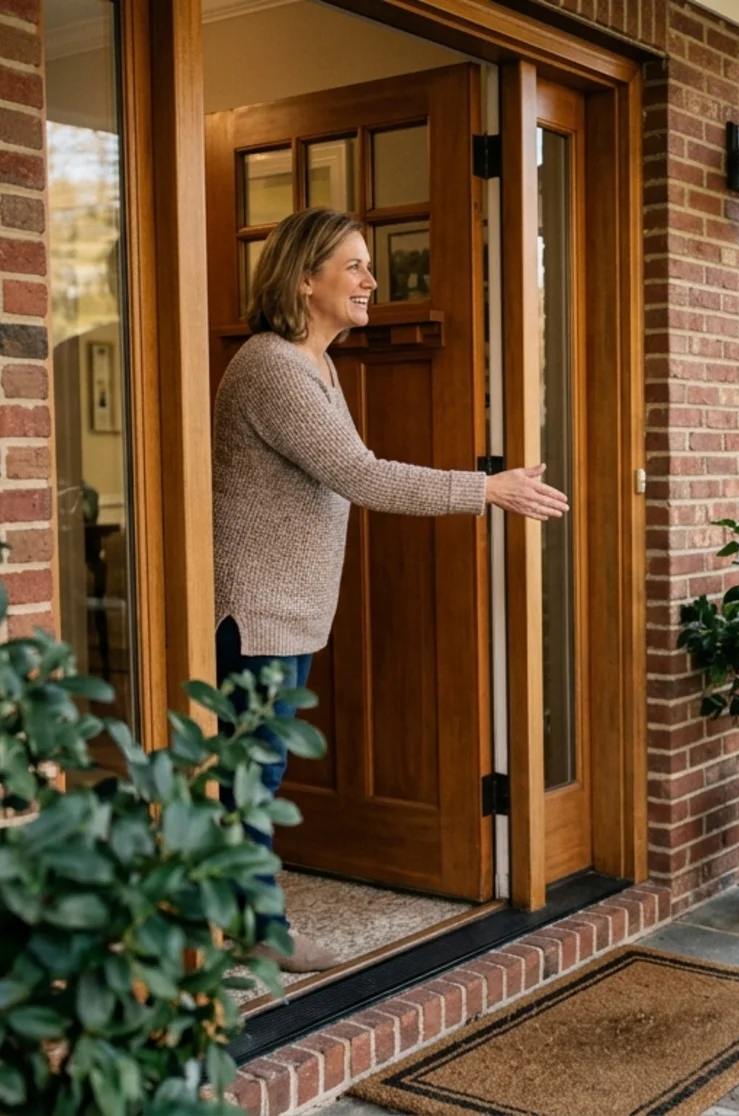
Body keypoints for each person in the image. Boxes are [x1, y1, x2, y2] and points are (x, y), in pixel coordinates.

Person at [213, 207, 569, 972]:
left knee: (259, 767)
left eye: (370, 266)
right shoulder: (272, 366)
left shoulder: (315, 365)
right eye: (354, 266)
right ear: (304, 279)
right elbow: (360, 474)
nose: (371, 280)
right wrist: (486, 489)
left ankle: (237, 917)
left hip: (289, 611)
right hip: (256, 612)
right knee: (252, 771)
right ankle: (255, 927)